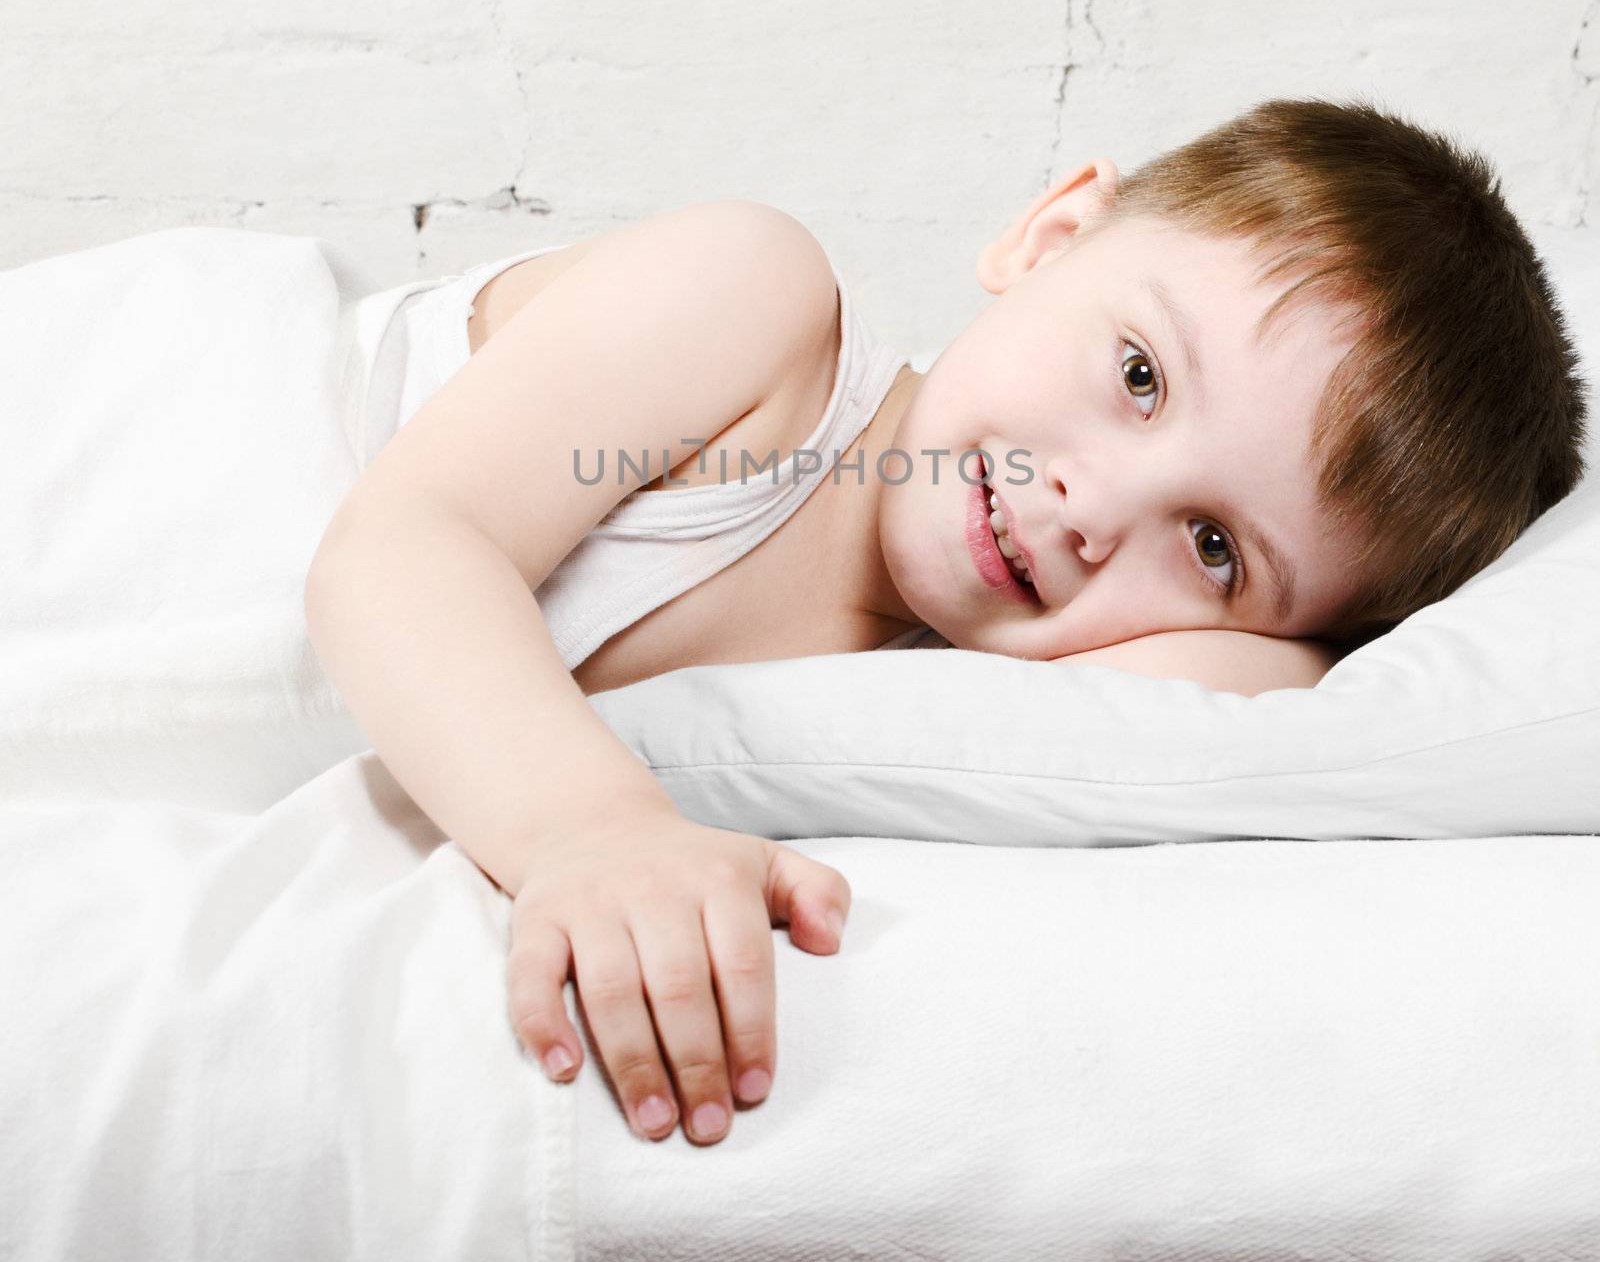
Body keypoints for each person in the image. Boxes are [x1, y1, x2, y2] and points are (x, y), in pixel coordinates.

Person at [303, 95, 1589, 1153]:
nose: (1094, 510)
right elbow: (407, 549)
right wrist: (595, 831)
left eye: (1211, 545)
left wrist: (1294, 627)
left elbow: (1245, 715)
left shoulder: (956, 698)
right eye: (1139, 375)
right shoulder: (754, 315)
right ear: (1051, 236)